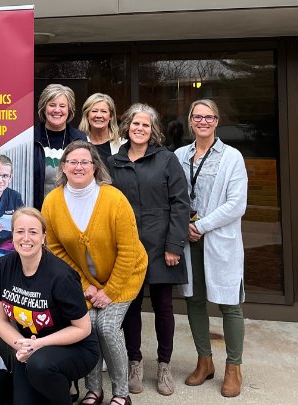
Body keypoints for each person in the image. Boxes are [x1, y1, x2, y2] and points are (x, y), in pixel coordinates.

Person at [42, 141, 147, 405]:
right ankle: (94, 390)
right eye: (73, 162)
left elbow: (129, 250)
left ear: (95, 167)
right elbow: (55, 250)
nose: (79, 167)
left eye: (85, 162)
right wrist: (86, 286)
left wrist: (109, 291)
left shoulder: (113, 198)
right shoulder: (52, 202)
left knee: (108, 327)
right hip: (84, 281)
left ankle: (121, 393)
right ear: (63, 167)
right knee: (86, 326)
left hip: (125, 275)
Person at [107, 104, 190, 396]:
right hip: (127, 249)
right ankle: (135, 362)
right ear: (126, 127)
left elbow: (181, 203)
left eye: (145, 125)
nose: (139, 129)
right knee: (130, 308)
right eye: (135, 124)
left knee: (164, 308)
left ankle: (164, 365)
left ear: (152, 130)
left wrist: (174, 245)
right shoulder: (113, 162)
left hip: (161, 247)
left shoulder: (166, 160)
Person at [175, 99, 248, 398]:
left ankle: (234, 368)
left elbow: (236, 204)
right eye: (197, 117)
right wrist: (184, 227)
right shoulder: (180, 155)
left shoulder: (232, 157)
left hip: (217, 240)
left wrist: (200, 226)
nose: (203, 121)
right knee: (194, 300)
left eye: (209, 117)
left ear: (217, 121)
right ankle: (204, 361)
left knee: (230, 304)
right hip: (188, 240)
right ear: (190, 121)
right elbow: (174, 195)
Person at [0, 207, 99, 405]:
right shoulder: (3, 266)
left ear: (43, 237)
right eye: (20, 231)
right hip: (29, 349)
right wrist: (22, 345)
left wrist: (37, 345)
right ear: (12, 234)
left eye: (33, 232)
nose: (26, 238)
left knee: (39, 366)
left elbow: (83, 329)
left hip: (75, 347)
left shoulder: (61, 275)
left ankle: (61, 387)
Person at [33, 84, 85, 210]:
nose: (57, 110)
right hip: (37, 214)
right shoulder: (30, 139)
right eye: (52, 105)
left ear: (69, 110)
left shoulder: (81, 140)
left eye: (62, 106)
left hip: (73, 212)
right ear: (44, 108)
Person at [79, 93, 126, 163]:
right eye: (94, 111)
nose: (98, 115)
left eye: (104, 111)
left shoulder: (123, 144)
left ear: (111, 116)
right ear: (87, 115)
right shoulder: (78, 143)